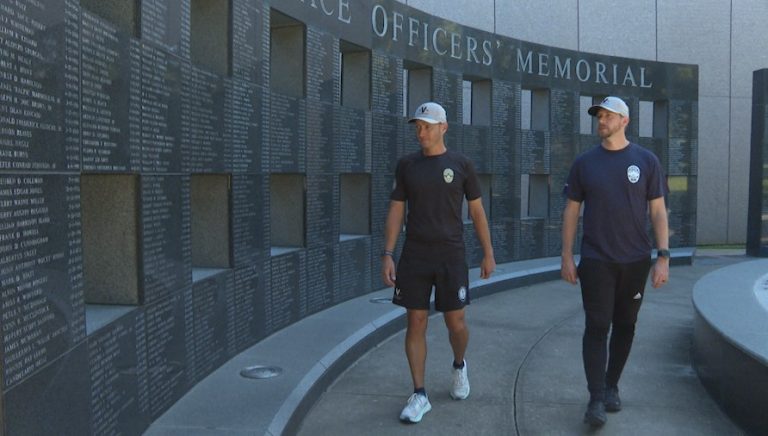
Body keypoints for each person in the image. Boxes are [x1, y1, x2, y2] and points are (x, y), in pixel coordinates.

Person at [381, 101, 496, 423]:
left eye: (427, 126)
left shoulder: (461, 165)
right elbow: (396, 210)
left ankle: (459, 366)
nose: (421, 132)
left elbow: (476, 211)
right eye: (417, 126)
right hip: (415, 255)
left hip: (451, 254)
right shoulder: (407, 166)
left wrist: (488, 252)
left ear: (443, 127)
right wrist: (387, 253)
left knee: (455, 323)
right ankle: (419, 393)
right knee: (415, 321)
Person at [560, 96, 670, 427]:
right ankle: (595, 399)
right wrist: (567, 255)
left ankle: (611, 386)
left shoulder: (646, 161)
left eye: (608, 116)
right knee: (596, 326)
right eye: (599, 116)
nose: (601, 121)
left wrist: (662, 257)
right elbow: (572, 211)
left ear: (625, 121)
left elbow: (657, 211)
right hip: (596, 260)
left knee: (626, 325)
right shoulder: (584, 163)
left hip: (635, 260)